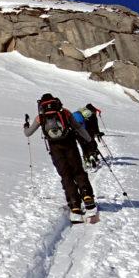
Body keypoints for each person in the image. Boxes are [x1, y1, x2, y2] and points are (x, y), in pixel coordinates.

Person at [24, 93, 98, 223]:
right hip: (70, 145)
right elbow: (78, 127)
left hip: (55, 148)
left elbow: (28, 133)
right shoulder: (65, 113)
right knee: (78, 172)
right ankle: (88, 199)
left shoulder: (40, 118)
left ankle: (75, 207)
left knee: (66, 176)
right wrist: (89, 139)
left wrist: (25, 125)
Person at [73, 103, 102, 168]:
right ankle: (92, 155)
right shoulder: (91, 115)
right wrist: (97, 133)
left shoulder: (78, 114)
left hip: (77, 133)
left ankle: (86, 160)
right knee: (90, 143)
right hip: (87, 132)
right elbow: (95, 126)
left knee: (83, 146)